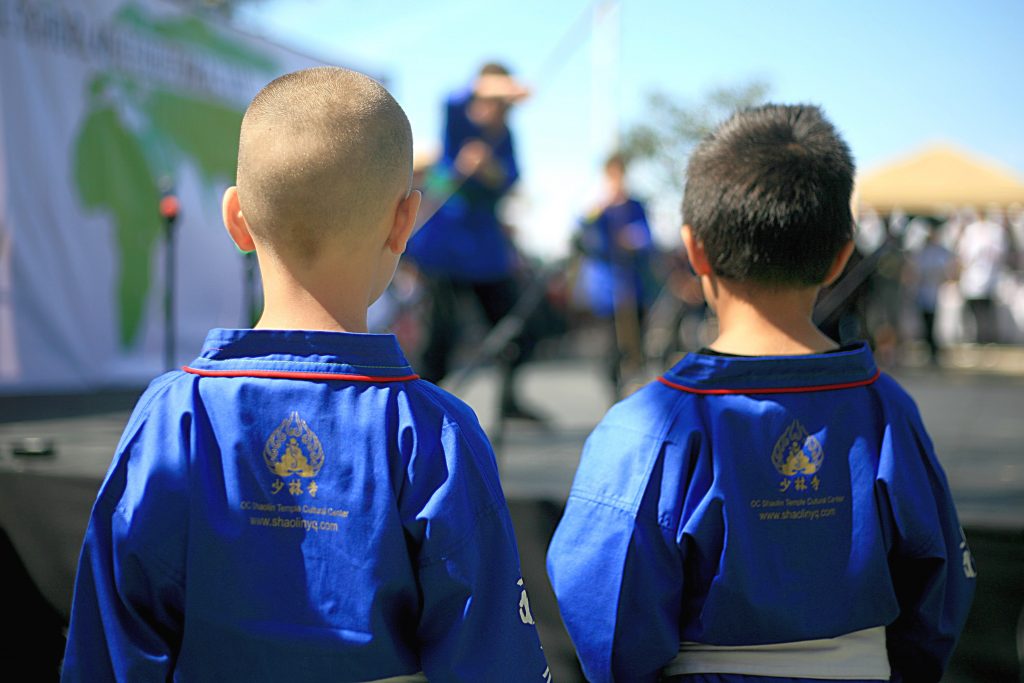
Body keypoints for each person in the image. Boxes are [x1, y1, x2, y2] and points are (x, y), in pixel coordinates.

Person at [62, 67, 549, 683]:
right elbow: (493, 659)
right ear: (404, 224)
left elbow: (107, 650)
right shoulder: (438, 433)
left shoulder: (170, 418)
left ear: (235, 218)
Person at [547, 104, 976, 683]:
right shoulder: (886, 410)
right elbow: (939, 593)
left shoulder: (647, 424)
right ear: (841, 255)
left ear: (694, 251)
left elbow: (605, 604)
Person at [405, 62, 544, 421]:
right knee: (440, 339)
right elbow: (454, 96)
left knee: (519, 331)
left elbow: (510, 179)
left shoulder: (506, 136)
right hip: (446, 249)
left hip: (486, 252)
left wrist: (488, 168)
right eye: (490, 96)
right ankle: (420, 409)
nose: (493, 107)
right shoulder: (460, 119)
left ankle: (509, 400)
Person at [573, 152, 656, 396]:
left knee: (635, 342)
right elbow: (583, 238)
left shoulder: (635, 206)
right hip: (606, 291)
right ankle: (613, 389)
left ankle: (633, 383)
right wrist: (598, 210)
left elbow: (647, 239)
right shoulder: (596, 209)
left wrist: (635, 240)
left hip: (633, 288)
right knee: (611, 347)